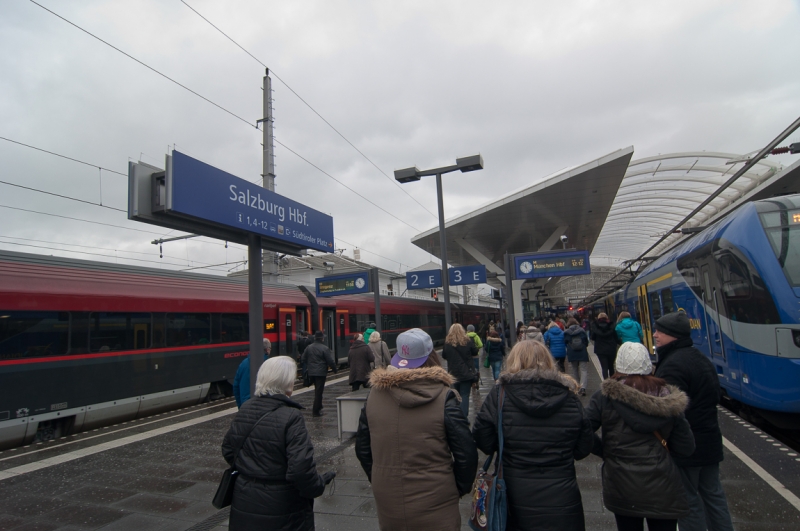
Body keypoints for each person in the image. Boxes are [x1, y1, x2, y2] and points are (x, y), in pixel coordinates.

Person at [355, 328, 478, 531]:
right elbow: (466, 452)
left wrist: (380, 478)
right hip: (438, 499)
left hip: (389, 500)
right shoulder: (444, 397)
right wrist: (456, 488)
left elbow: (363, 449)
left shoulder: (374, 397)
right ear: (431, 356)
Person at [473, 340, 594, 531]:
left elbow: (483, 440)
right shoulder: (569, 397)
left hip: (513, 498)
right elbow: (583, 448)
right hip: (562, 500)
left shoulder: (499, 395)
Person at [585, 342, 695, 531]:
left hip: (621, 484)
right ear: (648, 365)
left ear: (618, 365)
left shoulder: (603, 397)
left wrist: (605, 450)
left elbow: (583, 431)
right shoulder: (668, 398)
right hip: (663, 485)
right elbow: (686, 447)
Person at [222, 356, 336, 530]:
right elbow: (300, 469)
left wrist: (252, 470)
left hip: (244, 500)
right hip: (282, 508)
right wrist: (318, 485)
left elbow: (228, 450)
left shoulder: (245, 409)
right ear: (287, 384)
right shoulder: (291, 417)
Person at [653, 312, 734, 531]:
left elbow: (668, 410)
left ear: (674, 336)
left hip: (687, 447)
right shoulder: (700, 359)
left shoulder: (672, 366)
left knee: (688, 501)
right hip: (710, 442)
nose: (655, 335)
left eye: (660, 331)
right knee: (714, 497)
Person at [442, 323, 478, 418]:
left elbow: (444, 355)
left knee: (455, 396)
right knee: (465, 395)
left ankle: (457, 417)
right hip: (466, 373)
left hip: (453, 374)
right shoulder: (467, 341)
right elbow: (475, 351)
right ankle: (464, 417)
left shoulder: (447, 344)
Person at [300, 331, 337, 416]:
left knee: (317, 390)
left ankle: (319, 406)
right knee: (318, 392)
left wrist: (310, 364)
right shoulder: (324, 348)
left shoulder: (309, 347)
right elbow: (330, 360)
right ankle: (316, 411)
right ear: (322, 339)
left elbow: (303, 358)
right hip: (321, 373)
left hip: (311, 372)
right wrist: (334, 369)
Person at [233, 338, 271, 408]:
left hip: (245, 404)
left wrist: (240, 406)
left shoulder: (243, 364)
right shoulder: (268, 364)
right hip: (262, 406)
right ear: (267, 349)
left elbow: (236, 386)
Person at [564, 318, 590, 396]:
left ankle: (577, 386)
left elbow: (565, 342)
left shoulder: (567, 332)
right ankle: (583, 388)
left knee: (574, 369)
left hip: (572, 353)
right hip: (582, 352)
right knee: (583, 370)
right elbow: (586, 341)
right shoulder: (582, 331)